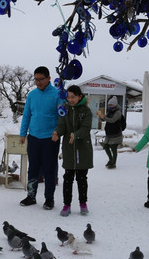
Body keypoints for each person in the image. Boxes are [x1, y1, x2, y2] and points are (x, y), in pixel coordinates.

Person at [19, 66, 60, 210]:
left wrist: (58, 132)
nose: (38, 82)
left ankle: (49, 199)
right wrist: (23, 133)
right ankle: (31, 196)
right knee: (33, 168)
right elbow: (27, 115)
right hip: (34, 137)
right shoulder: (32, 95)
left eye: (41, 79)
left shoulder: (57, 95)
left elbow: (62, 117)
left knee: (49, 169)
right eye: (36, 79)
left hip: (50, 138)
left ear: (49, 78)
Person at [52, 85, 94, 216]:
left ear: (79, 96)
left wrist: (75, 135)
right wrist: (57, 132)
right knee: (68, 178)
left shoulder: (86, 111)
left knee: (82, 178)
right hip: (69, 149)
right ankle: (66, 205)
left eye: (73, 97)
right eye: (68, 97)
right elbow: (62, 126)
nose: (70, 100)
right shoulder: (65, 110)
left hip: (83, 148)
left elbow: (86, 128)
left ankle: (83, 203)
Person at [97, 96, 123, 169]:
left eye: (111, 105)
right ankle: (110, 160)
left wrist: (104, 117)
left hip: (116, 133)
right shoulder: (110, 111)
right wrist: (100, 117)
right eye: (109, 105)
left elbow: (112, 120)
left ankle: (113, 163)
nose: (109, 106)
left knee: (113, 148)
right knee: (105, 146)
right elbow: (105, 119)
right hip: (109, 133)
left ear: (115, 105)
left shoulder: (118, 112)